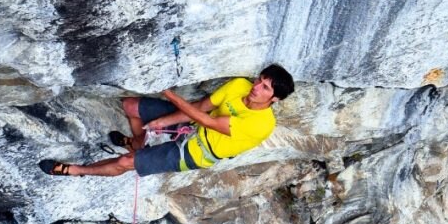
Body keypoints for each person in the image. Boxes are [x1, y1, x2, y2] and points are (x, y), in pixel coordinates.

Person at [39, 65, 294, 177]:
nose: (256, 87)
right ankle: (136, 143)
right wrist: (162, 121)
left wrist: (170, 95)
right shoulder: (239, 85)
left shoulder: (262, 125)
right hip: (193, 125)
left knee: (126, 162)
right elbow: (201, 108)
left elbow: (208, 121)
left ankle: (75, 171)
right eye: (259, 80)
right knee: (131, 106)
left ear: (274, 99)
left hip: (197, 152)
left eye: (265, 88)